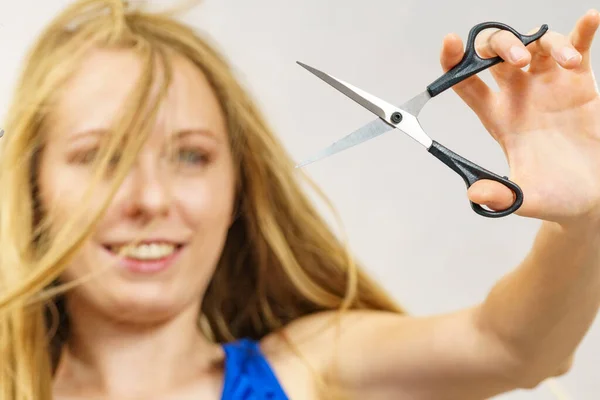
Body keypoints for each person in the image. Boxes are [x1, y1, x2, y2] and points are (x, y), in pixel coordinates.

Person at [0, 0, 598, 399]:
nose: (151, 198)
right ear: (31, 186)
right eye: (101, 157)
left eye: (190, 156)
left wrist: (590, 215)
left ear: (237, 188)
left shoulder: (310, 365)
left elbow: (512, 345)